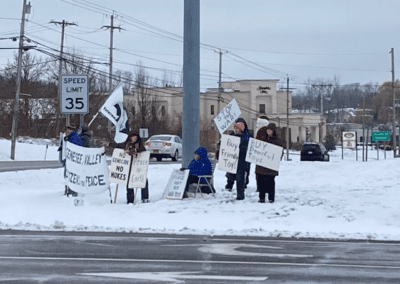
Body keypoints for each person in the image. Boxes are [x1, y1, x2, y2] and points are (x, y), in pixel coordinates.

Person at [110, 132, 149, 204]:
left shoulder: (140, 144)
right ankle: (130, 200)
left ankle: (145, 197)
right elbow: (119, 146)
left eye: (135, 137)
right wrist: (110, 144)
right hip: (128, 167)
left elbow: (143, 151)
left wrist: (136, 151)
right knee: (129, 182)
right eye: (132, 137)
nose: (134, 139)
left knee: (144, 181)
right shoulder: (126, 144)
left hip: (138, 167)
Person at [255, 123, 284, 203]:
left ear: (273, 131)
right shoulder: (262, 139)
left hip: (271, 167)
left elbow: (280, 153)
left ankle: (271, 198)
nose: (269, 131)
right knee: (261, 182)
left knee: (270, 182)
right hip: (261, 166)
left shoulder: (277, 141)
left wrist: (277, 158)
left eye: (270, 130)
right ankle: (262, 198)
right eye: (268, 129)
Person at [57, 125, 82, 197]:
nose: (67, 131)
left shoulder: (74, 137)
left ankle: (72, 191)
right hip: (67, 159)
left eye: (68, 130)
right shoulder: (68, 137)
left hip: (71, 160)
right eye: (67, 129)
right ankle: (68, 190)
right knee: (66, 175)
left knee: (71, 175)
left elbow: (75, 148)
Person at [232, 117, 251, 200]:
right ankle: (230, 185)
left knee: (240, 178)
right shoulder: (232, 135)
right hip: (232, 161)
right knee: (232, 177)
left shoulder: (247, 136)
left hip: (243, 161)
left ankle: (240, 195)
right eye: (235, 128)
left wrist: (239, 148)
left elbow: (248, 148)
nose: (236, 130)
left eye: (237, 128)